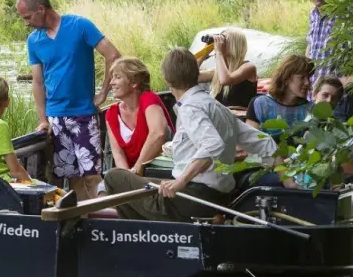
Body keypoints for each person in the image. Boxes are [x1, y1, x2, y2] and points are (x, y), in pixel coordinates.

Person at [103, 48, 278, 222]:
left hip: (195, 197)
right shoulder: (215, 106)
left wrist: (181, 181)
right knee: (142, 183)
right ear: (196, 75)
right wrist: (287, 175)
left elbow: (213, 145)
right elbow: (264, 141)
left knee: (114, 178)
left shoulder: (190, 108)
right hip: (219, 196)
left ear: (166, 79)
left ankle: (141, 235)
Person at [16, 0, 121, 201]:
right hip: (55, 119)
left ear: (41, 9)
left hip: (83, 115)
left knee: (92, 177)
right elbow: (38, 82)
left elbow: (113, 55)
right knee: (72, 179)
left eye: (27, 17)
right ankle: (83, 222)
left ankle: (101, 220)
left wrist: (103, 93)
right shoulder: (34, 41)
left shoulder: (80, 26)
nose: (26, 22)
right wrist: (42, 119)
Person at [104, 56, 175, 174]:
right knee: (103, 188)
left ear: (134, 82)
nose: (111, 83)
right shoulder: (111, 113)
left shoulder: (149, 98)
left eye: (117, 77)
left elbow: (158, 133)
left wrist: (136, 169)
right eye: (112, 78)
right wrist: (126, 177)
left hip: (159, 172)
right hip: (133, 174)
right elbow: (118, 154)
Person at [246, 54, 314, 142]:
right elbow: (250, 141)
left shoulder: (311, 110)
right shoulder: (261, 104)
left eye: (309, 78)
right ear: (286, 78)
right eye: (302, 77)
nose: (307, 83)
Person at [197, 29, 258, 111]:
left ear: (235, 45)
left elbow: (225, 80)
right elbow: (191, 77)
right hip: (221, 118)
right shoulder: (218, 72)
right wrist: (204, 54)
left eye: (224, 40)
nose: (220, 43)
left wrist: (219, 52)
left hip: (239, 120)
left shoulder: (249, 67)